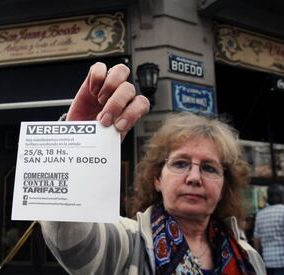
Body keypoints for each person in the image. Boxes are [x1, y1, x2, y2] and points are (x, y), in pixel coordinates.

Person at [39, 62, 266, 274]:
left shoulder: (250, 258)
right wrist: (74, 144)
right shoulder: (128, 242)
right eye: (180, 163)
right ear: (157, 178)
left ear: (225, 183)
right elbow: (71, 242)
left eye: (209, 168)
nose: (194, 177)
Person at [253, 184, 284, 275]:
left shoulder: (260, 214)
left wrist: (257, 258)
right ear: (281, 197)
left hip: (267, 262)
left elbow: (256, 239)